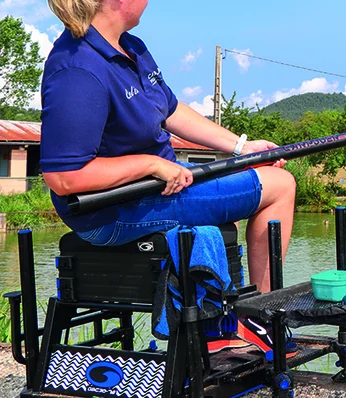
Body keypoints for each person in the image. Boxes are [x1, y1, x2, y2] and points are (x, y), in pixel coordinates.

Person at [41, 0, 295, 353]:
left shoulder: (131, 47)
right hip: (112, 211)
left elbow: (171, 110)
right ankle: (260, 315)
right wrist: (150, 164)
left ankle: (244, 314)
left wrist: (242, 147)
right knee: (281, 185)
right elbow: (64, 177)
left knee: (265, 170)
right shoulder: (77, 69)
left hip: (151, 192)